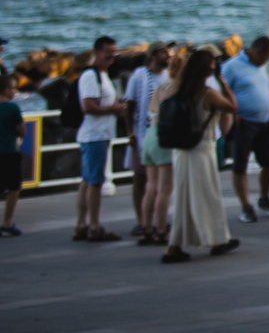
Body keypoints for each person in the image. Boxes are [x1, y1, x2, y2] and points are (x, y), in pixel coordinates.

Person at [159, 47, 240, 263]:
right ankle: (216, 240)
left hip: (181, 150)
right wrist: (224, 83)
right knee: (208, 195)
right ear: (208, 69)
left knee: (183, 198)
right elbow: (232, 106)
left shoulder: (178, 89)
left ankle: (173, 246)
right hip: (202, 149)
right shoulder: (207, 93)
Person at [220, 34, 269, 223]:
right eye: (266, 56)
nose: (268, 60)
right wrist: (233, 113)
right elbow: (222, 90)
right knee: (241, 165)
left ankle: (264, 197)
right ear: (256, 51)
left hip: (265, 121)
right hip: (244, 123)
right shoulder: (232, 66)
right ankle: (245, 205)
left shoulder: (260, 65)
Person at [74, 36, 124, 242]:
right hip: (94, 136)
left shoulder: (102, 75)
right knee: (95, 182)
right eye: (108, 51)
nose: (112, 55)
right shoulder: (90, 75)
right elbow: (88, 106)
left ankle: (81, 224)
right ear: (97, 52)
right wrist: (115, 108)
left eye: (114, 51)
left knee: (87, 181)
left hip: (98, 135)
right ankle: (94, 225)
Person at [123, 44, 166, 236]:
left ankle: (156, 219)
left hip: (162, 135)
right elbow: (129, 106)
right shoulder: (139, 76)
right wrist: (130, 133)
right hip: (142, 134)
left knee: (159, 181)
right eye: (165, 53)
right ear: (156, 55)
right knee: (140, 178)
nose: (169, 56)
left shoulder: (168, 76)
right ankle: (141, 220)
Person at [0, 68, 24, 237]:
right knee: (14, 187)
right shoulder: (12, 108)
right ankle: (7, 222)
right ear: (7, 90)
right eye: (13, 88)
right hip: (9, 151)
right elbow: (22, 131)